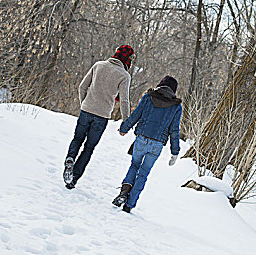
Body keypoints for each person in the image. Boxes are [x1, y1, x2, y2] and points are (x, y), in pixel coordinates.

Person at [63, 45, 135, 189]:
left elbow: (82, 87)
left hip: (86, 110)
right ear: (127, 60)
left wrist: (84, 103)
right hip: (101, 117)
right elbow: (124, 100)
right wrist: (126, 122)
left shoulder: (99, 65)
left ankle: (70, 159)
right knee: (88, 148)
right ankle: (73, 180)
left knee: (77, 139)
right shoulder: (124, 75)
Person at [112, 76, 182, 213]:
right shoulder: (175, 106)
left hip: (142, 138)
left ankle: (124, 192)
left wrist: (124, 128)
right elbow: (174, 130)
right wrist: (175, 152)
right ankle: (129, 204)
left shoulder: (148, 97)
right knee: (143, 173)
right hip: (157, 144)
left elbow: (136, 115)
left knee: (134, 165)